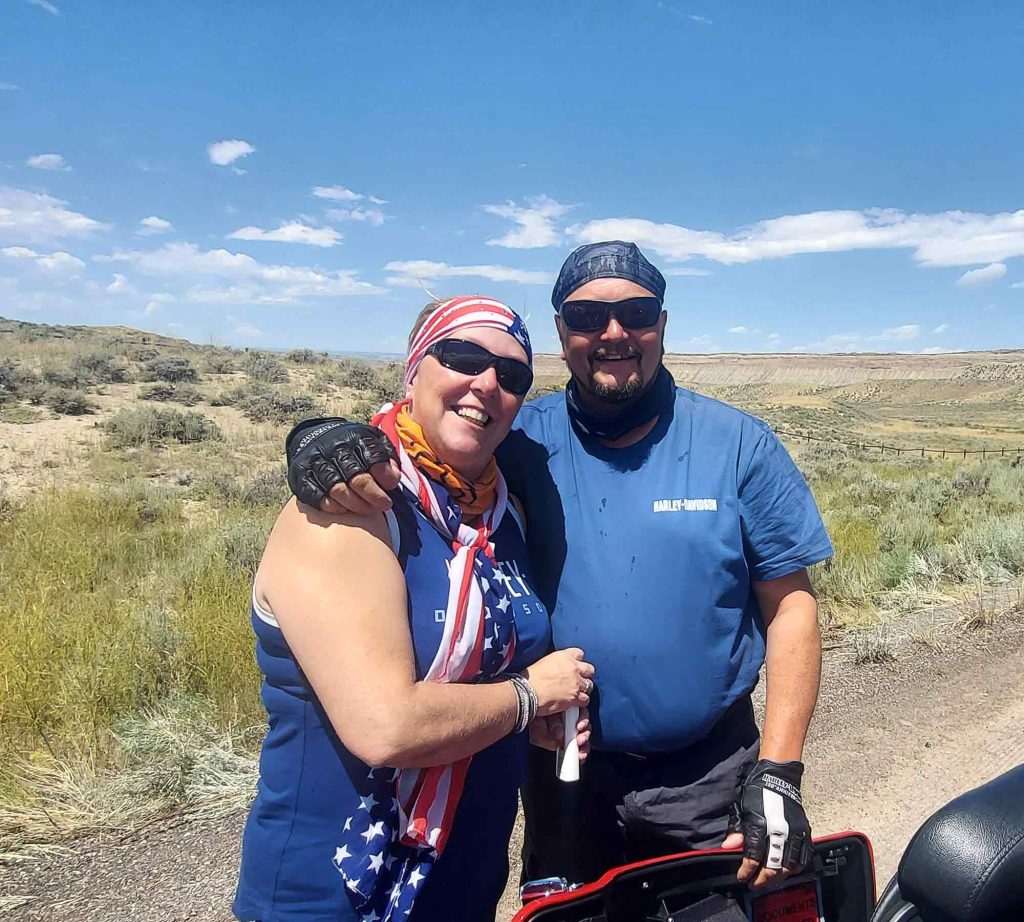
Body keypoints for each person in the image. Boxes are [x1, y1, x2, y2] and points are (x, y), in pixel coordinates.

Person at [282, 242, 833, 892]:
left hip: (707, 778)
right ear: (561, 332)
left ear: (662, 323)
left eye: (637, 312)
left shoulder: (737, 444)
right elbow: (422, 446)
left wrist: (778, 771)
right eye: (586, 317)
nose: (614, 333)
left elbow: (792, 607)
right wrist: (324, 439)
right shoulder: (520, 444)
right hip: (563, 777)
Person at [233, 296, 595, 922]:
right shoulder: (350, 508)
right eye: (463, 357)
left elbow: (478, 677)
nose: (487, 384)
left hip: (461, 885)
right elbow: (386, 726)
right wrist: (528, 698)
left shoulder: (501, 513)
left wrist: (518, 722)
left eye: (512, 377)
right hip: (334, 896)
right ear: (414, 368)